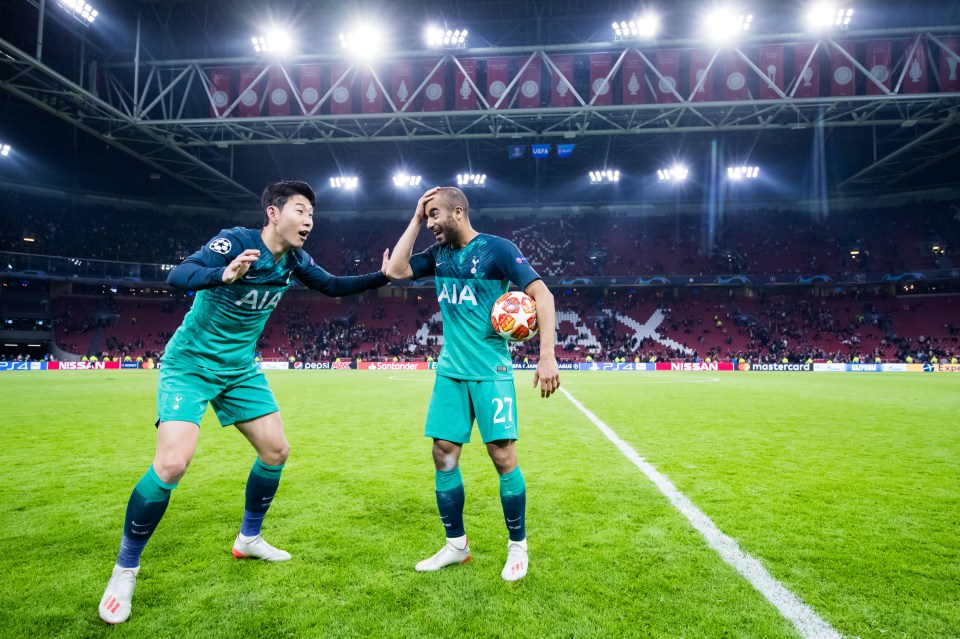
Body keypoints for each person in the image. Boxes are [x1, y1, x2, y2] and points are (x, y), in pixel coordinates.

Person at [98, 180, 392, 624]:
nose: (309, 220)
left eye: (312, 214)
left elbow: (333, 286)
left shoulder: (294, 259)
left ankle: (248, 539)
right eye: (300, 210)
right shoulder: (236, 241)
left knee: (276, 451)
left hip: (239, 369)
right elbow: (179, 275)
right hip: (191, 364)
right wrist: (223, 273)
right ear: (273, 213)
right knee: (173, 464)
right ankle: (125, 569)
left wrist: (383, 276)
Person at [385, 186, 560, 582]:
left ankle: (518, 547)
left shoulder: (497, 250)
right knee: (443, 454)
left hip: (490, 373)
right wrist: (413, 218)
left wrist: (546, 354)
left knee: (502, 456)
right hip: (450, 372)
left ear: (458, 212)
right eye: (425, 217)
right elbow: (394, 271)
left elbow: (542, 294)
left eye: (433, 215)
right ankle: (456, 545)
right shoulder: (437, 255)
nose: (429, 224)